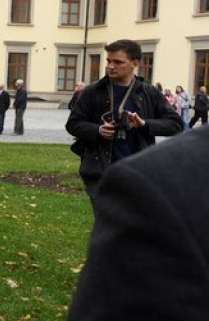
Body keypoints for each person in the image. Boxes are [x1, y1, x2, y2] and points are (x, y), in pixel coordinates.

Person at [54, 127, 209, 321]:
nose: (112, 72)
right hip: (102, 170)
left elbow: (170, 123)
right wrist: (97, 130)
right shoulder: (164, 192)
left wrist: (143, 125)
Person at [65, 39, 182, 203]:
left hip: (139, 174)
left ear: (135, 63)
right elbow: (73, 124)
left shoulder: (149, 93)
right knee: (109, 225)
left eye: (118, 62)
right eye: (108, 61)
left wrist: (145, 125)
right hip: (100, 173)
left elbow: (176, 124)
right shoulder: (93, 91)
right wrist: (98, 130)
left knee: (137, 225)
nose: (110, 66)